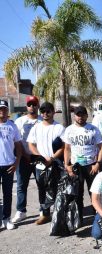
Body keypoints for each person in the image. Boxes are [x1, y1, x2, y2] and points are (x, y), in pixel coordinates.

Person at [63, 106, 102, 219]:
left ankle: (98, 216)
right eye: (78, 114)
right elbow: (67, 149)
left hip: (91, 165)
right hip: (76, 167)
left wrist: (98, 164)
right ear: (74, 116)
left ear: (87, 115)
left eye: (82, 114)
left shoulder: (93, 129)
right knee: (77, 193)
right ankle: (78, 217)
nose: (80, 117)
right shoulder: (69, 130)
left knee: (95, 192)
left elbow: (101, 148)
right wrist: (67, 165)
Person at [27, 102, 65, 225]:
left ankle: (59, 213)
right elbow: (31, 144)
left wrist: (52, 158)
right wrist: (40, 157)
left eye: (48, 111)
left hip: (55, 163)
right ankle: (45, 213)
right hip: (40, 164)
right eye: (42, 111)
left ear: (53, 112)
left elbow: (64, 147)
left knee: (57, 188)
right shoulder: (36, 127)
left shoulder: (59, 127)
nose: (45, 114)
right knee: (42, 188)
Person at [12, 95, 42, 223]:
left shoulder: (42, 121)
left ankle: (43, 209)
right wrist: (25, 154)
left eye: (34, 104)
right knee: (21, 185)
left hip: (39, 158)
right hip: (23, 158)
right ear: (26, 106)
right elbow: (16, 141)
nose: (32, 107)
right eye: (29, 105)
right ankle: (21, 211)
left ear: (38, 106)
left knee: (42, 184)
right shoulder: (19, 121)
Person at [0, 99, 22, 230]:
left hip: (8, 164)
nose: (2, 111)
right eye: (0, 109)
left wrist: (16, 162)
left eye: (4, 109)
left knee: (7, 194)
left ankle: (6, 219)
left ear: (8, 110)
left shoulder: (12, 126)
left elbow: (18, 146)